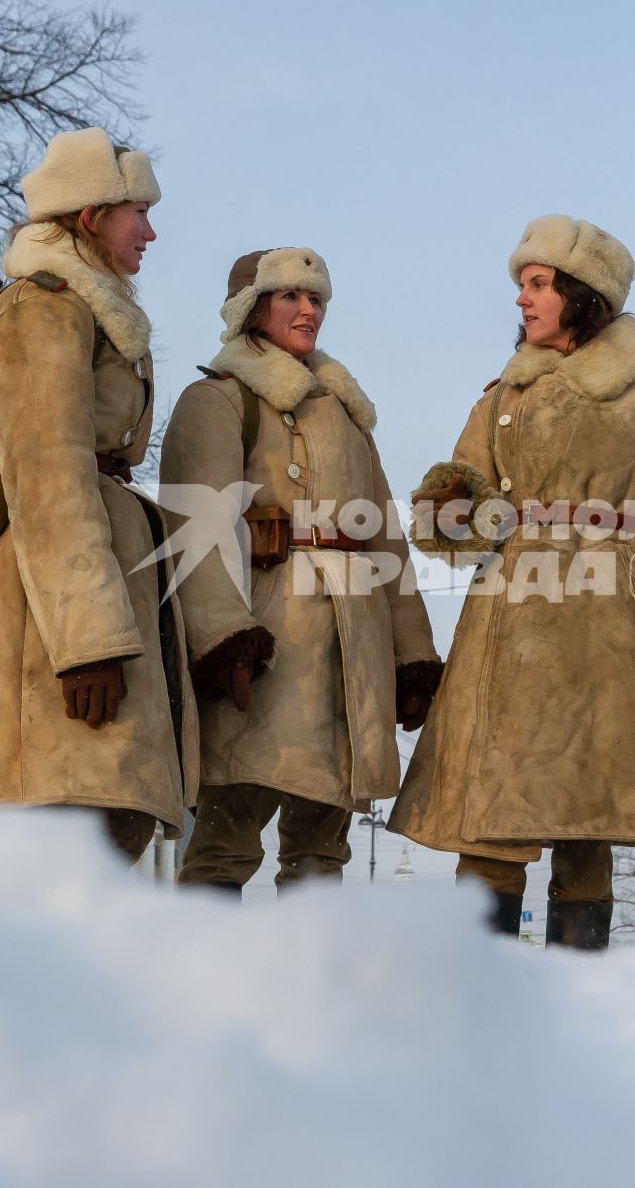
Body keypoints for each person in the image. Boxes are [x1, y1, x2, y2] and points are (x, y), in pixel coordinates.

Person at [389, 215, 635, 950]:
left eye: (538, 283)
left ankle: (582, 993)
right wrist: (450, 506)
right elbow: (464, 504)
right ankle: (480, 992)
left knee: (591, 821)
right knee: (490, 820)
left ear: (585, 293)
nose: (521, 300)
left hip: (613, 627)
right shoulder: (500, 398)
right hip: (509, 626)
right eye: (520, 285)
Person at [0, 127, 198, 862]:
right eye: (138, 212)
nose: (152, 231)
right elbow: (46, 479)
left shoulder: (84, 308)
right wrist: (87, 645)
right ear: (92, 215)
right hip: (38, 633)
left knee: (92, 841)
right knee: (50, 849)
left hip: (63, 616)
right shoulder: (44, 308)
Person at [161, 248, 441, 894]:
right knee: (226, 843)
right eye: (290, 295)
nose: (309, 309)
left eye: (316, 298)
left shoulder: (345, 416)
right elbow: (193, 532)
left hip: (352, 656)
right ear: (249, 308)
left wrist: (412, 657)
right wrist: (222, 638)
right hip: (265, 650)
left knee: (322, 853)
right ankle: (199, 987)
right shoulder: (217, 399)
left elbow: (386, 541)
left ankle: (313, 987)